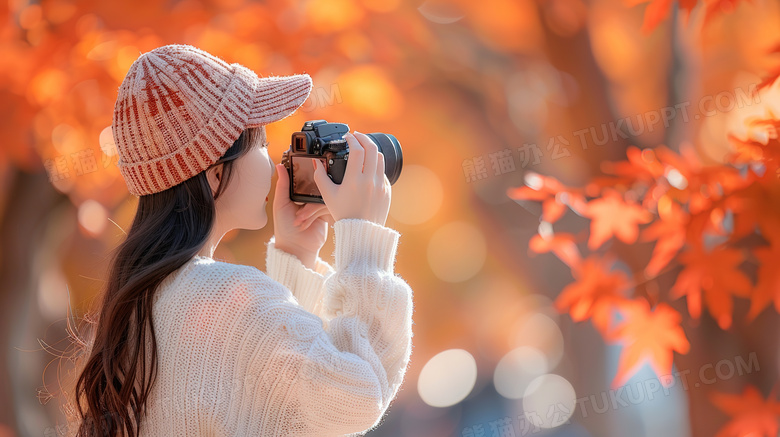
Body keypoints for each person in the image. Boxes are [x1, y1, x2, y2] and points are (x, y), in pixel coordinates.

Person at [62, 44, 414, 437]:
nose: (274, 160)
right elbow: (356, 397)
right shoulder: (229, 298)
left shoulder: (137, 303)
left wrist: (296, 256)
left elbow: (271, 398)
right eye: (260, 144)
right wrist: (363, 240)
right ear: (214, 174)